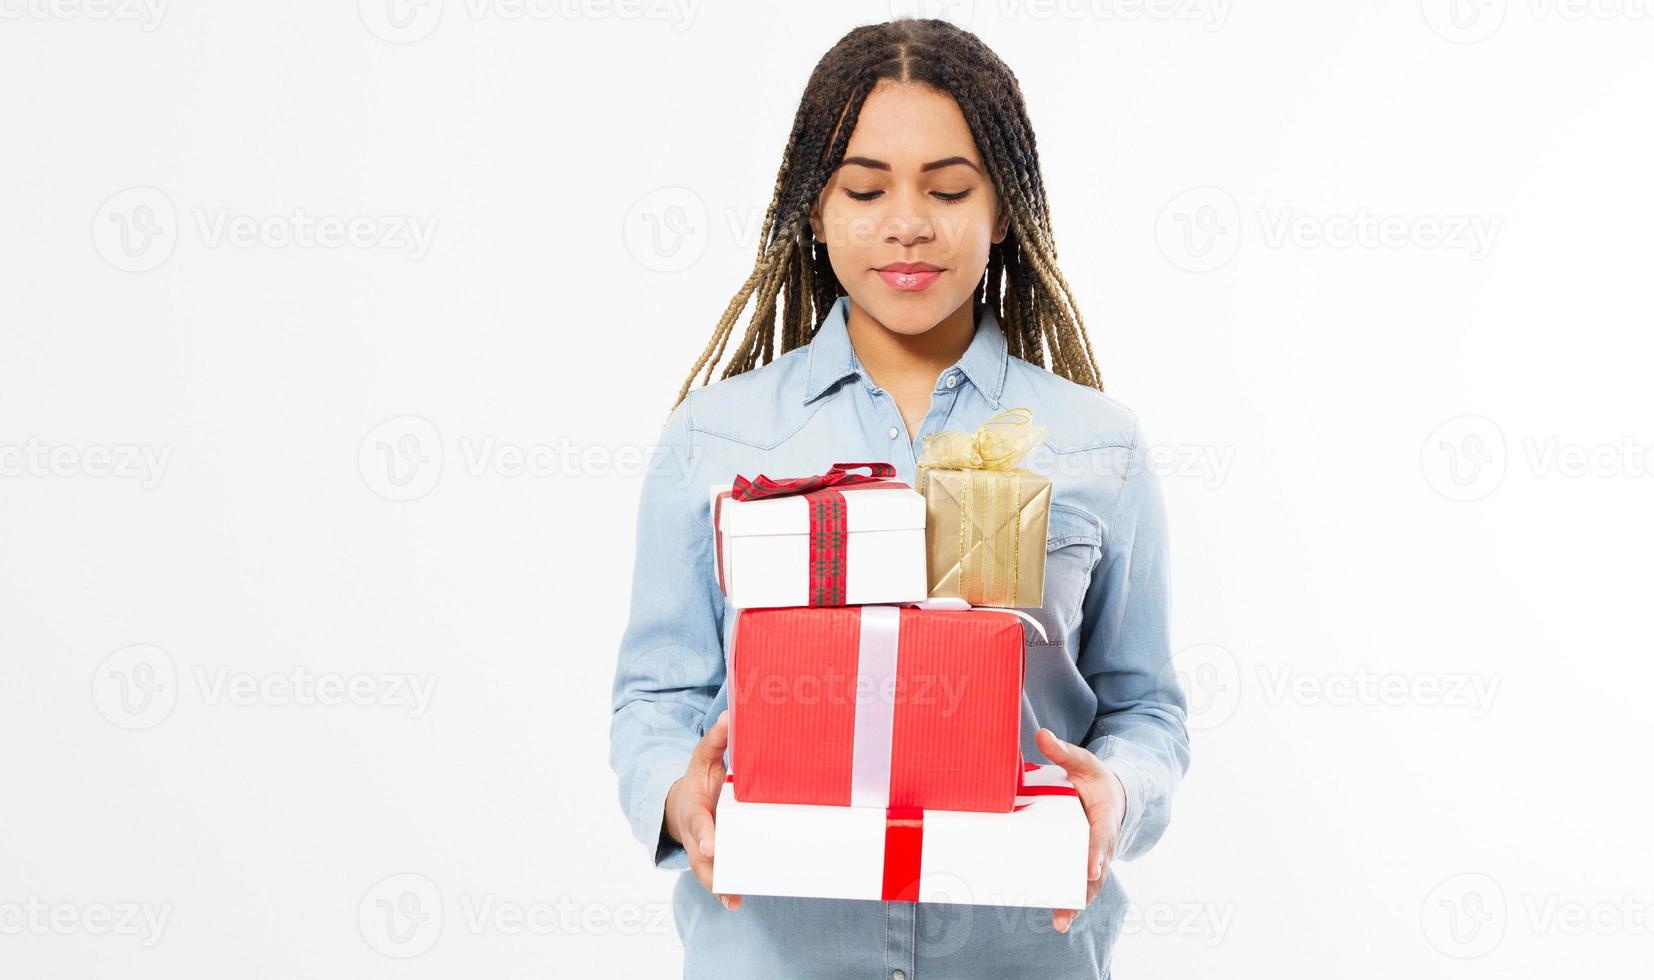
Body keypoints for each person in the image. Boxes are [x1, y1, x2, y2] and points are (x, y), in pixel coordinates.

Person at [609, 18, 1190, 978]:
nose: (907, 222)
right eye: (866, 189)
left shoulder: (1099, 448)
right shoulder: (716, 441)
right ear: (814, 209)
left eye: (949, 189)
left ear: (1003, 210)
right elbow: (655, 694)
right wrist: (677, 794)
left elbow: (1145, 706)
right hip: (773, 948)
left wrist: (1116, 794)